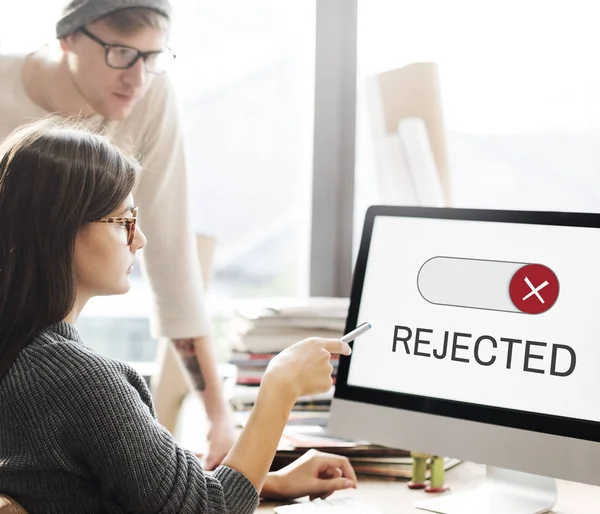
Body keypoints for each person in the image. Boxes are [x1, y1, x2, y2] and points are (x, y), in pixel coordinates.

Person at [0, 118, 356, 513]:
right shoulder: (78, 380)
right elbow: (208, 510)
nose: (140, 239)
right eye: (124, 222)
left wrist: (265, 482)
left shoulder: (22, 357)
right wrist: (280, 387)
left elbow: (94, 488)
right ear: (61, 231)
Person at [0, 0, 236, 468]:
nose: (138, 78)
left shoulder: (150, 95)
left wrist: (218, 418)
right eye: (121, 53)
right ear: (67, 37)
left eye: (153, 57)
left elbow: (171, 259)